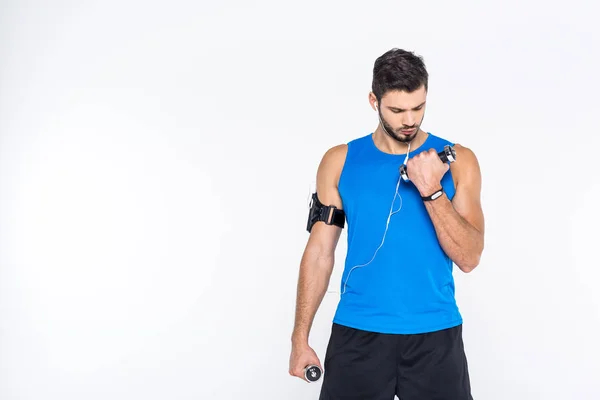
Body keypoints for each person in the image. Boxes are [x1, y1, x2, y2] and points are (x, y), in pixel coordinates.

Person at [288, 48, 485, 400]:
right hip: (358, 333)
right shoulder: (340, 161)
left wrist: (431, 189)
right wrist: (299, 338)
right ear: (373, 101)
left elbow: (469, 258)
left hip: (435, 335)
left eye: (418, 107)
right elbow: (319, 253)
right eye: (397, 110)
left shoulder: (457, 162)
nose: (409, 120)